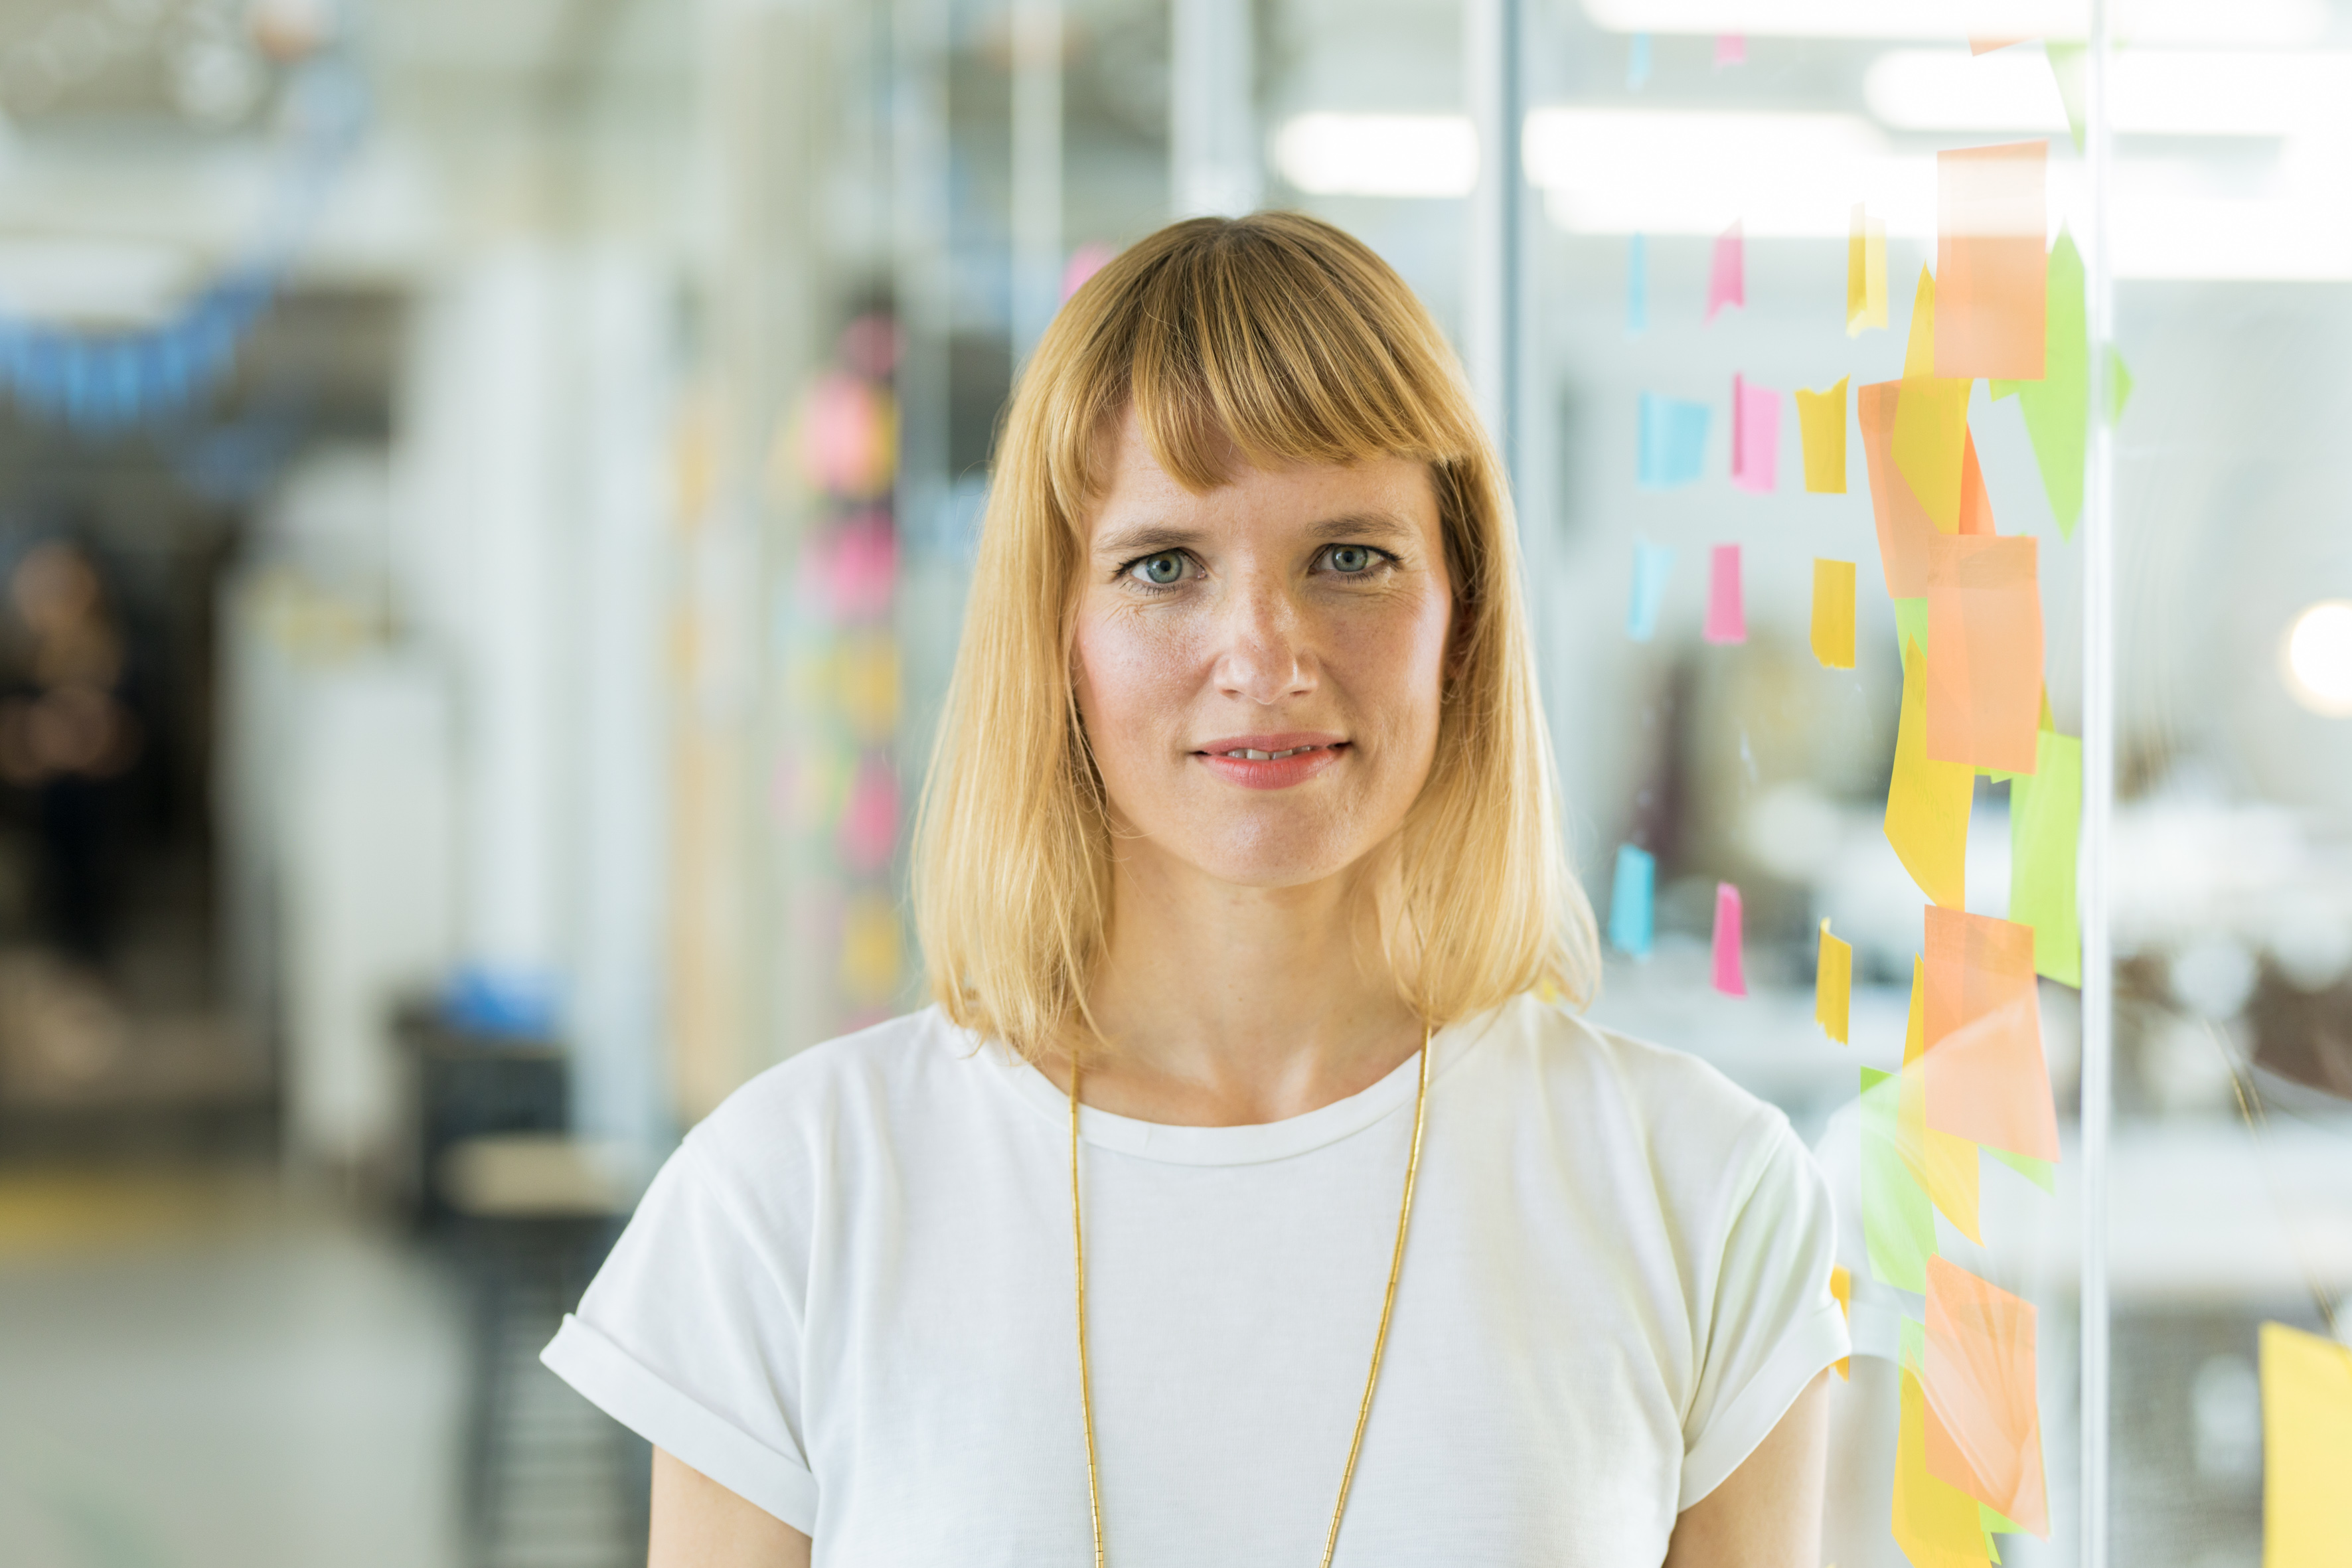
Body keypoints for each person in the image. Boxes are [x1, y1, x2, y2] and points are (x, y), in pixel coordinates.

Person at [543, 212, 1847, 1566]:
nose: (1264, 656)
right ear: (1054, 633)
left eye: (1350, 557)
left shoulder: (1704, 1190)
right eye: (1163, 565)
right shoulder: (792, 1193)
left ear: (1461, 618)